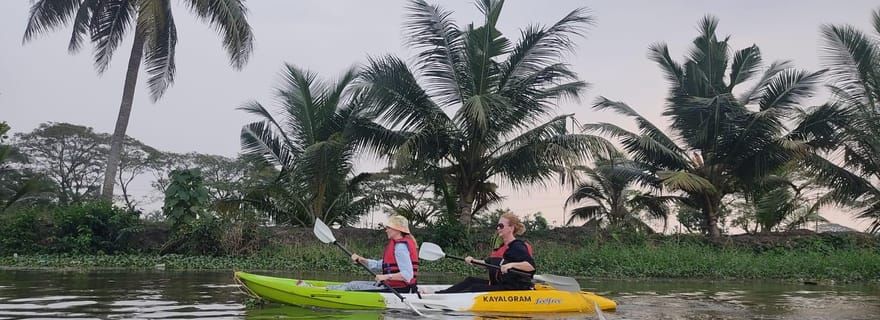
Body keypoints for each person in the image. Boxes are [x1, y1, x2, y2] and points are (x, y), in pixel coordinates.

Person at [436, 212, 536, 293]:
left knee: (475, 288)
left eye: (501, 226)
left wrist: (511, 265)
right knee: (470, 280)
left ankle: (447, 299)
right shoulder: (501, 248)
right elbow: (486, 264)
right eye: (497, 226)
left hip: (512, 288)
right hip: (498, 284)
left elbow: (530, 266)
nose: (498, 228)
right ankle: (441, 294)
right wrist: (473, 261)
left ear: (511, 228)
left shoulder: (517, 246)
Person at [324, 215, 419, 292]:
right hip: (391, 286)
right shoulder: (398, 245)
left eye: (389, 228)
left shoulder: (400, 247)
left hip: (399, 289)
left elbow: (407, 275)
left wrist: (385, 276)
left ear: (397, 230)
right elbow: (381, 265)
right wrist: (363, 260)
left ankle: (325, 291)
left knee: (352, 286)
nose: (386, 230)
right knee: (353, 283)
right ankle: (327, 289)